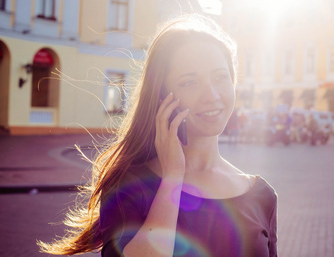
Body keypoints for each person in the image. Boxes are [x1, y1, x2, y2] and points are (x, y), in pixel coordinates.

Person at [38, 14, 278, 256]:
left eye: (220, 77)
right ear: (163, 97)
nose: (212, 94)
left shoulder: (262, 195)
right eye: (189, 82)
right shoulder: (130, 186)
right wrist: (172, 178)